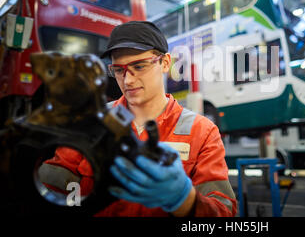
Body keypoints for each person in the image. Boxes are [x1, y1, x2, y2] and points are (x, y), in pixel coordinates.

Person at [40, 21, 237, 217]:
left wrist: (183, 199)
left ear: (165, 63)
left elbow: (223, 212)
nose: (128, 80)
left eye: (139, 66)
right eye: (119, 70)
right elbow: (54, 182)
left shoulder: (202, 132)